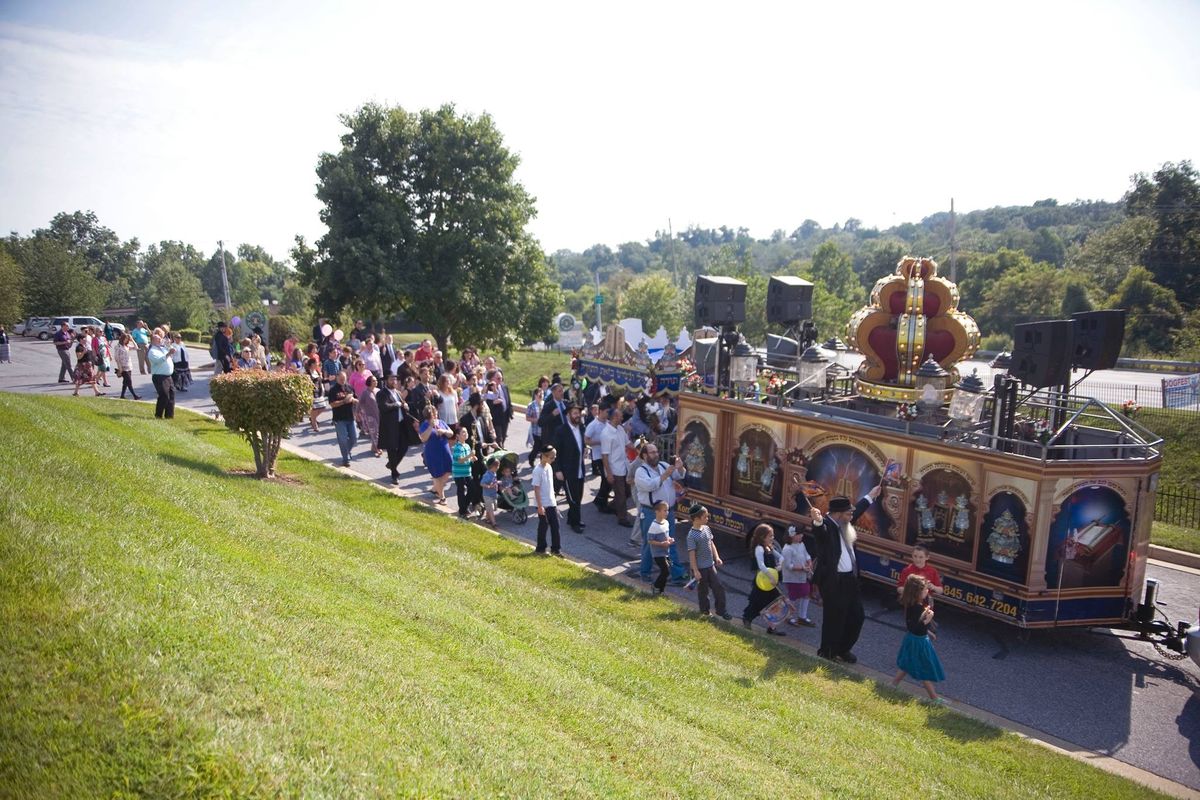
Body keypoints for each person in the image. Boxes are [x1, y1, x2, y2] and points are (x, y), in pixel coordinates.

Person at [811, 488, 878, 663]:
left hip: (850, 580)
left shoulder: (844, 522)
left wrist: (871, 496)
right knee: (834, 619)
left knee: (857, 616)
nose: (852, 516)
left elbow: (859, 509)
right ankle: (827, 652)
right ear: (839, 514)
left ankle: (842, 649)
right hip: (834, 582)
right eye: (849, 513)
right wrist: (817, 521)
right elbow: (820, 532)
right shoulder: (827, 527)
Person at [634, 442, 687, 584]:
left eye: (657, 452)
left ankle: (677, 574)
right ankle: (645, 573)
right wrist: (665, 475)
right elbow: (650, 485)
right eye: (652, 452)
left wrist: (680, 466)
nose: (656, 454)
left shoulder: (663, 465)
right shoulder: (641, 471)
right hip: (651, 513)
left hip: (668, 512)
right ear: (645, 455)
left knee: (670, 542)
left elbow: (679, 475)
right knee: (650, 543)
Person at [892, 574, 946, 704]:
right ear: (916, 592)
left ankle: (893, 684)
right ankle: (934, 698)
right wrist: (928, 620)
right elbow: (914, 626)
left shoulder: (915, 604)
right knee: (923, 669)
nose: (927, 591)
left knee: (908, 663)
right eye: (924, 590)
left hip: (917, 639)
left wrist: (928, 632)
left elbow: (916, 625)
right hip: (918, 642)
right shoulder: (915, 607)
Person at [686, 504, 729, 620]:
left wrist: (717, 557)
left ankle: (721, 610)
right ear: (696, 519)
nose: (707, 519)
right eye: (705, 517)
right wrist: (695, 571)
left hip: (710, 565)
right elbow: (692, 554)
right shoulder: (691, 536)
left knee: (718, 587)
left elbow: (711, 543)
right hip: (700, 568)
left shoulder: (706, 529)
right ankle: (705, 611)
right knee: (703, 591)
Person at [742, 524, 786, 636]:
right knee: (757, 602)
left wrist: (779, 565)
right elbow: (761, 565)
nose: (772, 538)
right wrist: (771, 576)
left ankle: (772, 627)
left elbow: (781, 557)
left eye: (773, 536)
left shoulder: (769, 547)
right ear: (762, 537)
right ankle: (747, 619)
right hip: (762, 583)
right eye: (770, 536)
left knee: (775, 603)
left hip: (770, 583)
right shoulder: (759, 549)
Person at [552, 402, 588, 533]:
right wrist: (557, 470)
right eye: (574, 413)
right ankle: (575, 523)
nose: (577, 416)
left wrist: (585, 449)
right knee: (573, 499)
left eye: (578, 413)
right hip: (567, 470)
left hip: (579, 469)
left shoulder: (582, 428)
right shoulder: (561, 431)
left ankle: (571, 518)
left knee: (579, 495)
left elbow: (581, 445)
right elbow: (555, 453)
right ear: (568, 415)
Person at [601, 407, 632, 527]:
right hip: (615, 469)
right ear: (614, 417)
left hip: (624, 466)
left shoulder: (620, 429)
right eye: (620, 416)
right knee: (621, 495)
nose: (622, 417)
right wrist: (609, 473)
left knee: (627, 492)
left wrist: (641, 449)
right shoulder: (606, 434)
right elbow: (604, 456)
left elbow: (627, 443)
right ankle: (622, 518)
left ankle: (613, 506)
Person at [376, 373, 409, 484]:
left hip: (400, 424)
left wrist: (405, 405)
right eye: (391, 379)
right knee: (392, 449)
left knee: (404, 446)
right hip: (389, 426)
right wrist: (397, 404)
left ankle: (391, 464)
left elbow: (402, 404)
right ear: (386, 381)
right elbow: (384, 407)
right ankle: (394, 474)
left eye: (395, 379)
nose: (394, 382)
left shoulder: (398, 393)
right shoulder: (382, 394)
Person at [418, 406, 454, 504]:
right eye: (433, 414)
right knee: (437, 475)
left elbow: (451, 433)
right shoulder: (424, 425)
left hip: (445, 451)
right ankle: (442, 497)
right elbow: (423, 438)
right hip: (433, 453)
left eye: (435, 413)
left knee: (449, 469)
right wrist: (430, 427)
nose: (435, 415)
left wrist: (444, 431)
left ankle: (436, 488)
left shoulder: (441, 422)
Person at [780, 526, 815, 627]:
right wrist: (802, 568)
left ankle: (802, 617)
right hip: (792, 578)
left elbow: (806, 555)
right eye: (799, 534)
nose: (802, 536)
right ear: (792, 535)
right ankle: (789, 616)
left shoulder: (801, 544)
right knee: (794, 596)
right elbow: (788, 565)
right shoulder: (787, 549)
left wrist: (809, 561)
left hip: (802, 576)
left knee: (807, 593)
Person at [531, 446, 561, 556]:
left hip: (551, 502)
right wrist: (540, 506)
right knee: (544, 526)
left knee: (555, 526)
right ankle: (540, 548)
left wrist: (554, 501)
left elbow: (550, 486)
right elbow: (536, 489)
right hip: (543, 503)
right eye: (552, 457)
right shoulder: (537, 470)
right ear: (544, 456)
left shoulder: (549, 467)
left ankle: (555, 549)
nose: (554, 459)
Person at [327, 370, 359, 467]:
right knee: (343, 439)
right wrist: (344, 401)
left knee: (354, 438)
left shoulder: (349, 387)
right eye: (341, 379)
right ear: (337, 378)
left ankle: (346, 452)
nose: (342, 381)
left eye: (344, 379)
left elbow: (355, 398)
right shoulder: (333, 390)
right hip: (339, 418)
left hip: (350, 417)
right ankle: (345, 459)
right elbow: (332, 404)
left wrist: (354, 401)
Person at [584, 403, 611, 513]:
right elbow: (586, 440)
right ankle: (601, 502)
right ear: (600, 412)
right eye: (606, 412)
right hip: (599, 456)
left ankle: (601, 500)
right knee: (606, 479)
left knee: (608, 480)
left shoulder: (608, 423)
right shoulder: (593, 425)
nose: (608, 414)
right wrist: (599, 442)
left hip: (609, 455)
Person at [646, 500, 674, 595]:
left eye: (667, 510)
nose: (667, 513)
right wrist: (661, 544)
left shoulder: (666, 523)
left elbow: (666, 535)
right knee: (665, 571)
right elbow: (650, 540)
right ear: (657, 511)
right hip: (658, 553)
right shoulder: (654, 526)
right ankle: (656, 587)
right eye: (665, 510)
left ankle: (660, 591)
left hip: (666, 551)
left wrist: (669, 539)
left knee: (667, 571)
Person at [146, 330, 176, 418]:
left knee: (171, 395)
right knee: (164, 395)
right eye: (157, 339)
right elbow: (158, 361)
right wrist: (168, 354)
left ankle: (169, 415)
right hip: (159, 376)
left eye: (160, 339)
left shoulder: (163, 348)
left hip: (168, 376)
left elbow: (172, 352)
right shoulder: (152, 351)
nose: (160, 340)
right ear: (152, 341)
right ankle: (158, 415)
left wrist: (169, 346)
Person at [450, 426, 477, 518]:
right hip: (458, 473)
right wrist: (470, 455)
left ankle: (464, 507)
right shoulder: (457, 447)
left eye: (466, 432)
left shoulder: (467, 446)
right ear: (457, 436)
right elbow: (460, 460)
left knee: (472, 489)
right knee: (461, 491)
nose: (466, 434)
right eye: (463, 432)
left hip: (467, 472)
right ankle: (462, 511)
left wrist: (472, 458)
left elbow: (467, 459)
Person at [358, 374, 381, 456]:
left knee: (379, 431)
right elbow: (360, 403)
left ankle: (373, 447)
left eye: (376, 380)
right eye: (374, 381)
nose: (376, 382)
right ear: (369, 382)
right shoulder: (365, 393)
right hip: (369, 416)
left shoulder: (378, 390)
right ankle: (378, 449)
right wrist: (358, 413)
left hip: (379, 414)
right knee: (375, 432)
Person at [114, 332, 140, 400]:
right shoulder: (118, 346)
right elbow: (117, 358)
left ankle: (122, 395)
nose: (126, 340)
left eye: (127, 339)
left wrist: (132, 339)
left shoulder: (127, 346)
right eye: (126, 338)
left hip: (129, 366)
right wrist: (119, 367)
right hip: (123, 367)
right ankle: (135, 396)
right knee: (129, 381)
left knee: (125, 382)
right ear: (122, 338)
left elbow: (136, 347)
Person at [306, 356, 327, 432]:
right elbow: (309, 382)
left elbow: (321, 381)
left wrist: (327, 379)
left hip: (319, 392)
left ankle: (312, 418)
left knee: (323, 407)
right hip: (312, 392)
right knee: (314, 408)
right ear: (312, 364)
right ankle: (314, 424)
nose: (317, 364)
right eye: (316, 363)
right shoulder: (308, 372)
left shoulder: (317, 372)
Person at [480, 457, 500, 527]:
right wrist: (488, 486)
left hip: (493, 493)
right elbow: (482, 483)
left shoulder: (494, 473)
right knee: (490, 508)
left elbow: (493, 481)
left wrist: (497, 482)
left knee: (494, 507)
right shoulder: (487, 475)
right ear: (493, 466)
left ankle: (487, 518)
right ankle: (493, 523)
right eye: (497, 466)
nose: (498, 467)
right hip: (487, 495)